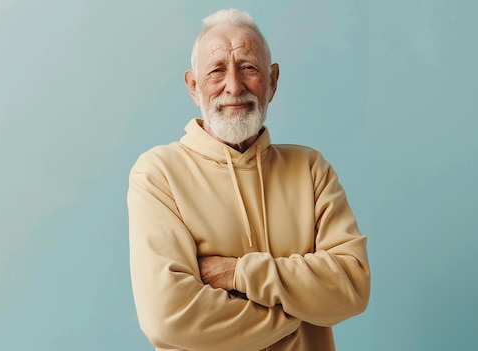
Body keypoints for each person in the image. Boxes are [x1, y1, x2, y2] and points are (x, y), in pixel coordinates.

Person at [127, 8, 370, 351]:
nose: (234, 86)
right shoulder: (158, 174)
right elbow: (169, 318)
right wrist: (299, 311)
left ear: (272, 81)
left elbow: (353, 287)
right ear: (194, 87)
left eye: (248, 68)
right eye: (216, 71)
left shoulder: (311, 169)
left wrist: (237, 273)